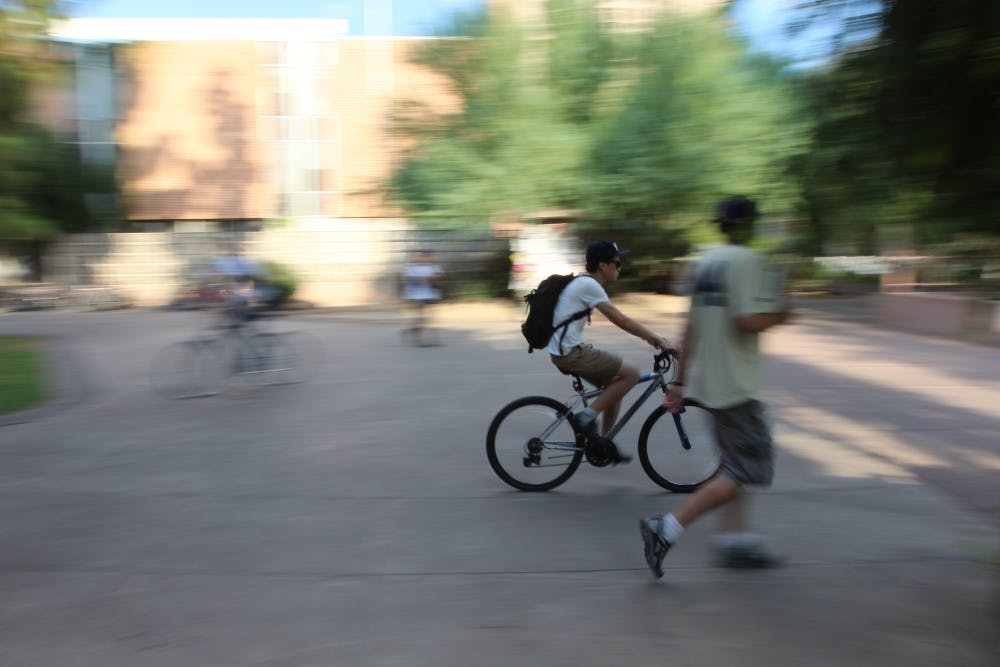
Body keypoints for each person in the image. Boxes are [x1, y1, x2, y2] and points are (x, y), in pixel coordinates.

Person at [638, 196, 792, 578]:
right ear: (749, 225)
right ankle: (667, 527)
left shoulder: (704, 263)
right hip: (738, 386)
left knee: (733, 465)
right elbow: (747, 321)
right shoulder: (748, 262)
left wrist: (679, 381)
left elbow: (689, 329)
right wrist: (782, 311)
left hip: (713, 385)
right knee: (748, 468)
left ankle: (735, 542)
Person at [549, 240, 674, 465]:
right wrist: (657, 340)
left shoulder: (585, 283)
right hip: (571, 353)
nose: (619, 267)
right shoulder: (589, 285)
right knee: (631, 374)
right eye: (616, 262)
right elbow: (621, 319)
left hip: (570, 350)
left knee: (616, 387)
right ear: (602, 265)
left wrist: (655, 338)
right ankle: (585, 419)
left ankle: (602, 444)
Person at [400, 249, 444, 346]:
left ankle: (412, 330)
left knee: (428, 317)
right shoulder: (409, 267)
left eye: (422, 257)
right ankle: (418, 340)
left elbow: (438, 280)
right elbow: (410, 279)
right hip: (414, 294)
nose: (421, 258)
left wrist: (432, 281)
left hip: (429, 294)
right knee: (420, 315)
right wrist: (427, 279)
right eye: (419, 256)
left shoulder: (433, 267)